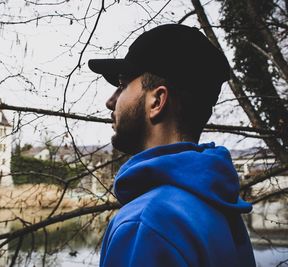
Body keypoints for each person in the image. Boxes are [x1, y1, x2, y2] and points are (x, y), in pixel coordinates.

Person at [88, 24, 256, 267]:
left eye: (123, 85)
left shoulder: (146, 223)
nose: (110, 101)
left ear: (157, 100)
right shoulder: (221, 210)